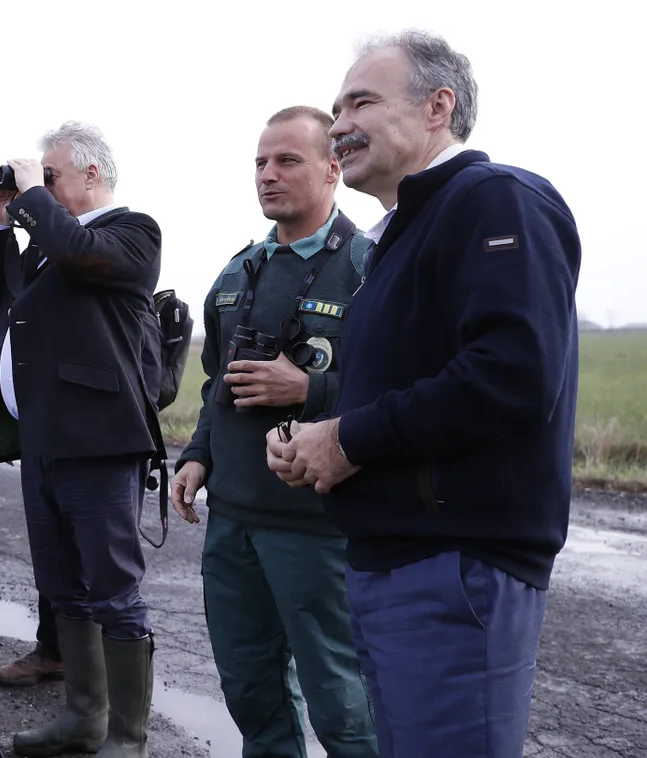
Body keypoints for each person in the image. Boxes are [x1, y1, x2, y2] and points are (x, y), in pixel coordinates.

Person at [266, 30, 581, 758]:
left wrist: (347, 440)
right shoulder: (401, 234)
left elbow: (511, 376)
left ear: (438, 106)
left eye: (360, 103)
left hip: (455, 566)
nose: (338, 125)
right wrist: (318, 439)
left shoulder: (494, 200)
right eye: (336, 109)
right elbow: (405, 384)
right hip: (395, 560)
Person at [172, 105, 378, 758]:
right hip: (232, 521)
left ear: (333, 168)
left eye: (287, 160)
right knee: (251, 693)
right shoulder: (238, 271)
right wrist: (197, 455)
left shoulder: (368, 266)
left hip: (319, 527)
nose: (267, 174)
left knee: (343, 706)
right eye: (260, 162)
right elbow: (217, 383)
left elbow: (400, 390)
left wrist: (309, 390)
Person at [0, 120, 164, 758]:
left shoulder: (132, 232)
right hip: (44, 441)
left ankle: (126, 739)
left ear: (92, 174)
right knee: (62, 584)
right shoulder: (48, 243)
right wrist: (1, 218)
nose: (41, 185)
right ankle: (83, 718)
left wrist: (34, 200)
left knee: (113, 589)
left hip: (100, 442)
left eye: (49, 175)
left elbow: (81, 252)